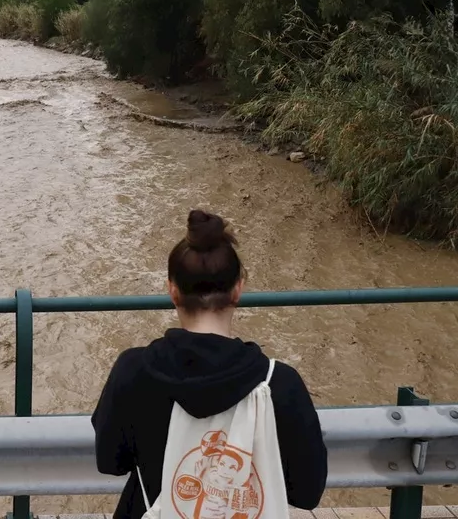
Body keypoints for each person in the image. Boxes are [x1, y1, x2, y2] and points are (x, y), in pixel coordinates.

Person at [92, 210, 326, 519]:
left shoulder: (134, 369)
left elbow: (110, 462)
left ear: (173, 290)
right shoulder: (279, 384)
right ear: (238, 289)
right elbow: (307, 492)